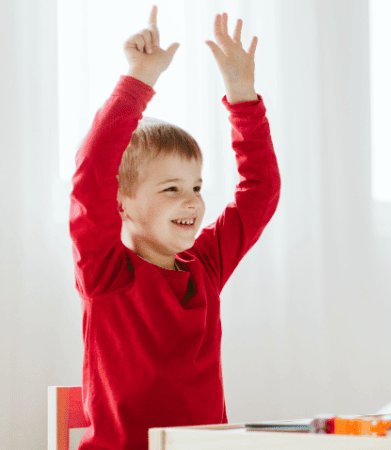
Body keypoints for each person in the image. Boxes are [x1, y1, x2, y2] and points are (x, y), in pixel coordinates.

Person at [69, 6, 280, 450]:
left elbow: (259, 192)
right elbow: (91, 175)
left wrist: (243, 95)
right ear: (121, 204)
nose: (192, 202)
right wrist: (138, 80)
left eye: (197, 186)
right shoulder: (106, 273)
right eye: (170, 189)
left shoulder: (205, 265)